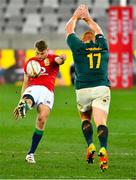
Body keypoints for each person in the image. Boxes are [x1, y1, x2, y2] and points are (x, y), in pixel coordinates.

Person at [65, 5, 111, 171]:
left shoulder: (78, 48)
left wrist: (76, 16)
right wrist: (88, 18)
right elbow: (98, 30)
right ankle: (103, 147)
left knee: (85, 118)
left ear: (82, 40)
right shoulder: (103, 46)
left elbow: (68, 30)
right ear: (94, 40)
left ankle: (90, 145)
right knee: (101, 122)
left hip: (83, 89)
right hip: (101, 88)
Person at [13, 40, 66, 164]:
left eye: (41, 53)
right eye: (37, 53)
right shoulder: (30, 62)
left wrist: (63, 57)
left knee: (42, 119)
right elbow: (25, 82)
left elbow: (60, 60)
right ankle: (25, 106)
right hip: (33, 88)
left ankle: (30, 153)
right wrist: (21, 99)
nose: (39, 56)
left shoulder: (52, 58)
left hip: (47, 91)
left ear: (47, 51)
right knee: (28, 99)